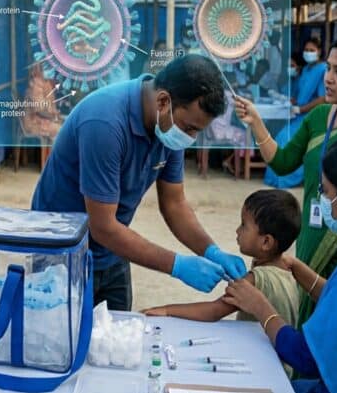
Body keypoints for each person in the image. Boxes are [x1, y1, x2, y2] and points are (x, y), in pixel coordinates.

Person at [31, 54, 247, 310]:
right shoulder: (105, 123)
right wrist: (177, 265)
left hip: (114, 250)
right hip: (61, 253)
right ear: (164, 101)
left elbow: (174, 204)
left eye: (197, 131)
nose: (190, 137)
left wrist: (211, 251)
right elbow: (103, 227)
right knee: (62, 341)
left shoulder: (169, 128)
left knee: (115, 340)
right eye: (190, 129)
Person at [235, 32, 337, 326]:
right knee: (306, 321)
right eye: (328, 68)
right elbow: (282, 163)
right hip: (311, 235)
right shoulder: (319, 117)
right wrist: (256, 123)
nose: (328, 78)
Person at [223, 135, 337, 393]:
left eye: (326, 192)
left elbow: (305, 356)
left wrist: (260, 307)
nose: (321, 199)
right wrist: (300, 270)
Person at [143, 189, 300, 329]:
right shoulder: (288, 271)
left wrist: (167, 310)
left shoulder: (255, 279)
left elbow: (213, 311)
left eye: (244, 225)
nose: (237, 230)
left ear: (266, 242)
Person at [264, 39, 327, 189]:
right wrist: (286, 100)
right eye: (306, 49)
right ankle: (278, 178)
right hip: (299, 114)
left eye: (312, 50)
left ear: (319, 51)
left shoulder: (323, 69)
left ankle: (287, 179)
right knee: (280, 137)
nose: (308, 53)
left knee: (286, 139)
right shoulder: (305, 70)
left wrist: (302, 109)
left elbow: (322, 98)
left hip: (311, 115)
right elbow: (299, 95)